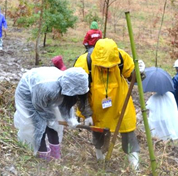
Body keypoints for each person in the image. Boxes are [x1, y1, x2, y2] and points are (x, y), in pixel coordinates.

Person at [74, 38, 145, 170]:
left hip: (120, 103)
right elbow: (78, 92)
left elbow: (132, 77)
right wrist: (87, 113)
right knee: (98, 132)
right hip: (96, 106)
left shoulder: (121, 57)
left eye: (109, 66)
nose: (106, 68)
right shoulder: (84, 63)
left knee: (128, 131)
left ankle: (135, 168)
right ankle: (100, 161)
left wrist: (139, 72)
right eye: (103, 66)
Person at [14, 67, 89, 161]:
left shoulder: (66, 88)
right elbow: (39, 110)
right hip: (29, 91)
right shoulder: (47, 88)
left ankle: (55, 155)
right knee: (37, 125)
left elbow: (65, 104)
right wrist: (50, 120)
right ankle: (42, 157)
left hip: (45, 93)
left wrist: (70, 119)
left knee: (54, 125)